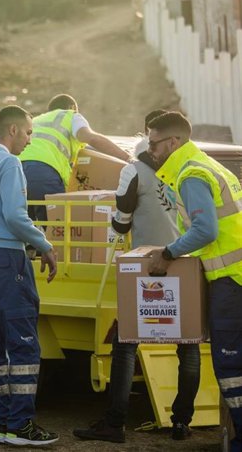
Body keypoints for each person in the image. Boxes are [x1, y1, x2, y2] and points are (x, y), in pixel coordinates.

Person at [73, 110, 201, 444]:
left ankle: (115, 423)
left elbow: (121, 221)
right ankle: (182, 422)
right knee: (187, 345)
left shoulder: (134, 170)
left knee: (126, 342)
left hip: (149, 264)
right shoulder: (189, 169)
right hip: (187, 262)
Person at [144, 112, 242, 452]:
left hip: (232, 282)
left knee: (231, 367)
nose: (150, 149)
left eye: (154, 143)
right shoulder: (207, 166)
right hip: (234, 279)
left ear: (174, 142)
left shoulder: (192, 174)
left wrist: (168, 253)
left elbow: (206, 230)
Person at [0, 105, 59, 446]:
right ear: (13, 130)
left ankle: (4, 424)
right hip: (6, 259)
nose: (30, 141)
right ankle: (21, 426)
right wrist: (44, 244)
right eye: (29, 133)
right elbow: (16, 217)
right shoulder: (8, 163)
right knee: (22, 344)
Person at [19, 93, 131, 222]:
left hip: (17, 173)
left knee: (28, 230)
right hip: (44, 173)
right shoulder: (70, 115)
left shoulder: (36, 120)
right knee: (58, 229)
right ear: (72, 107)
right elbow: (91, 138)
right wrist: (128, 158)